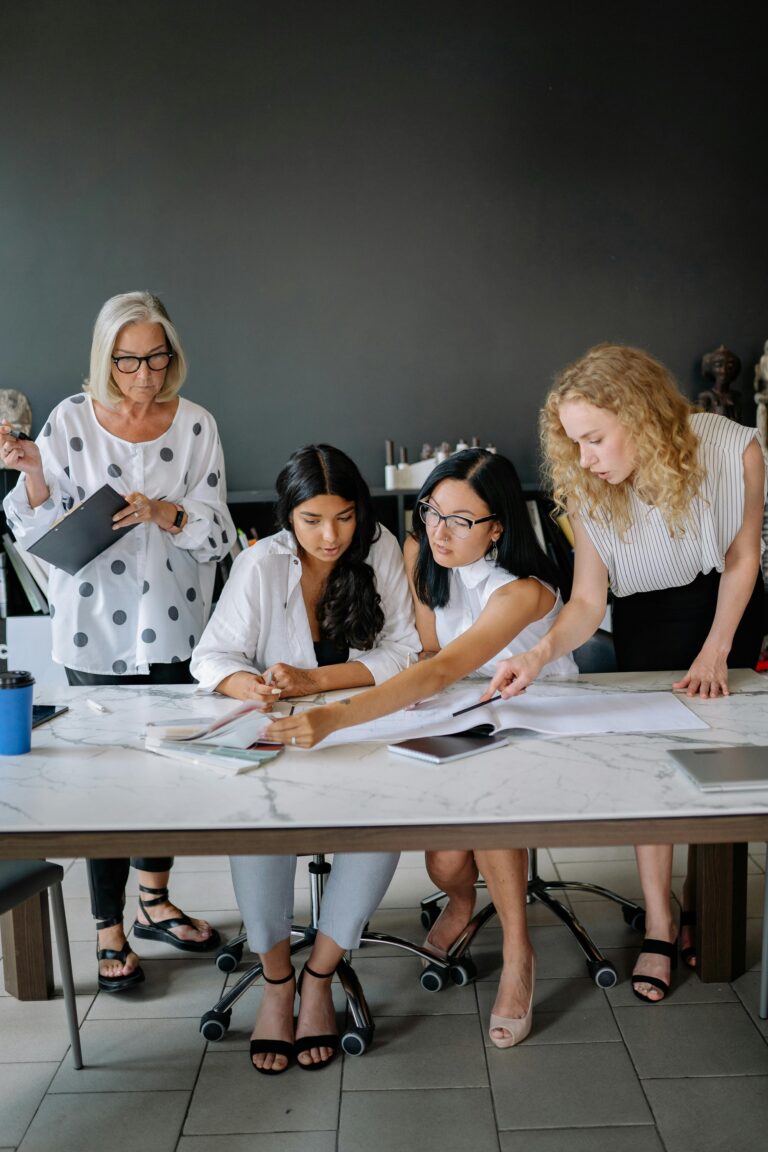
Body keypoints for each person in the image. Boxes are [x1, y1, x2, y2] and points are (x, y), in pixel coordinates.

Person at [267, 448, 577, 1048]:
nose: (439, 530)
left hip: (540, 721)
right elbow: (429, 656)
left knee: (490, 819)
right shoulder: (423, 553)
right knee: (444, 864)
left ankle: (519, 952)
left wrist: (337, 716)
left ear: (498, 527)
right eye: (433, 511)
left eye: (461, 521)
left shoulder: (523, 592)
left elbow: (446, 668)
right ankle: (460, 903)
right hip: (466, 715)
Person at [484, 343, 766, 1002]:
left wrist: (718, 648)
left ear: (640, 417)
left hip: (731, 604)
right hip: (647, 616)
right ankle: (661, 924)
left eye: (594, 439)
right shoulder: (585, 486)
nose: (583, 459)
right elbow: (587, 603)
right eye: (574, 442)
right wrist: (539, 652)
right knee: (655, 767)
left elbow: (744, 555)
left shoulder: (733, 449)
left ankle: (703, 905)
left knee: (718, 764)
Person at [1, 291, 236, 992]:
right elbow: (38, 532)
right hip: (92, 629)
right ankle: (108, 929)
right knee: (103, 783)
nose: (144, 375)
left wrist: (167, 512)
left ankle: (154, 901)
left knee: (167, 772)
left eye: (156, 357)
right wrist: (32, 473)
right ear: (106, 357)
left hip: (176, 621)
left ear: (172, 353)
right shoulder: (71, 420)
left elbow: (220, 533)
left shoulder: (195, 426)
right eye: (128, 360)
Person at [191, 443, 420, 1073]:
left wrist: (314, 681)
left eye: (344, 517)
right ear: (287, 515)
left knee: (383, 819)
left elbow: (403, 652)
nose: (329, 535)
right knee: (257, 824)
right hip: (280, 732)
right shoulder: (261, 563)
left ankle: (320, 973)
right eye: (312, 520)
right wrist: (251, 684)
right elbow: (211, 657)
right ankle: (276, 980)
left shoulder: (379, 552)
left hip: (359, 726)